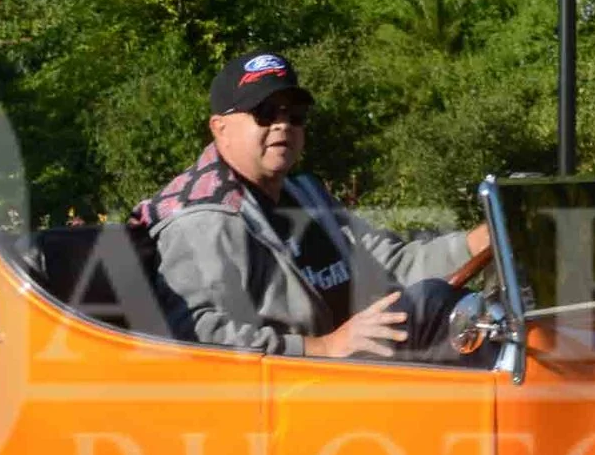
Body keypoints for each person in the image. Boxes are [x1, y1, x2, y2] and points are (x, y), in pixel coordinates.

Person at [135, 51, 490, 359]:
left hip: (366, 371)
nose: (283, 125)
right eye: (265, 113)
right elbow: (196, 334)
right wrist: (321, 347)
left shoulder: (306, 195)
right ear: (220, 127)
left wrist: (483, 241)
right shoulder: (202, 218)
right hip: (291, 395)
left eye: (295, 115)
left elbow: (390, 266)